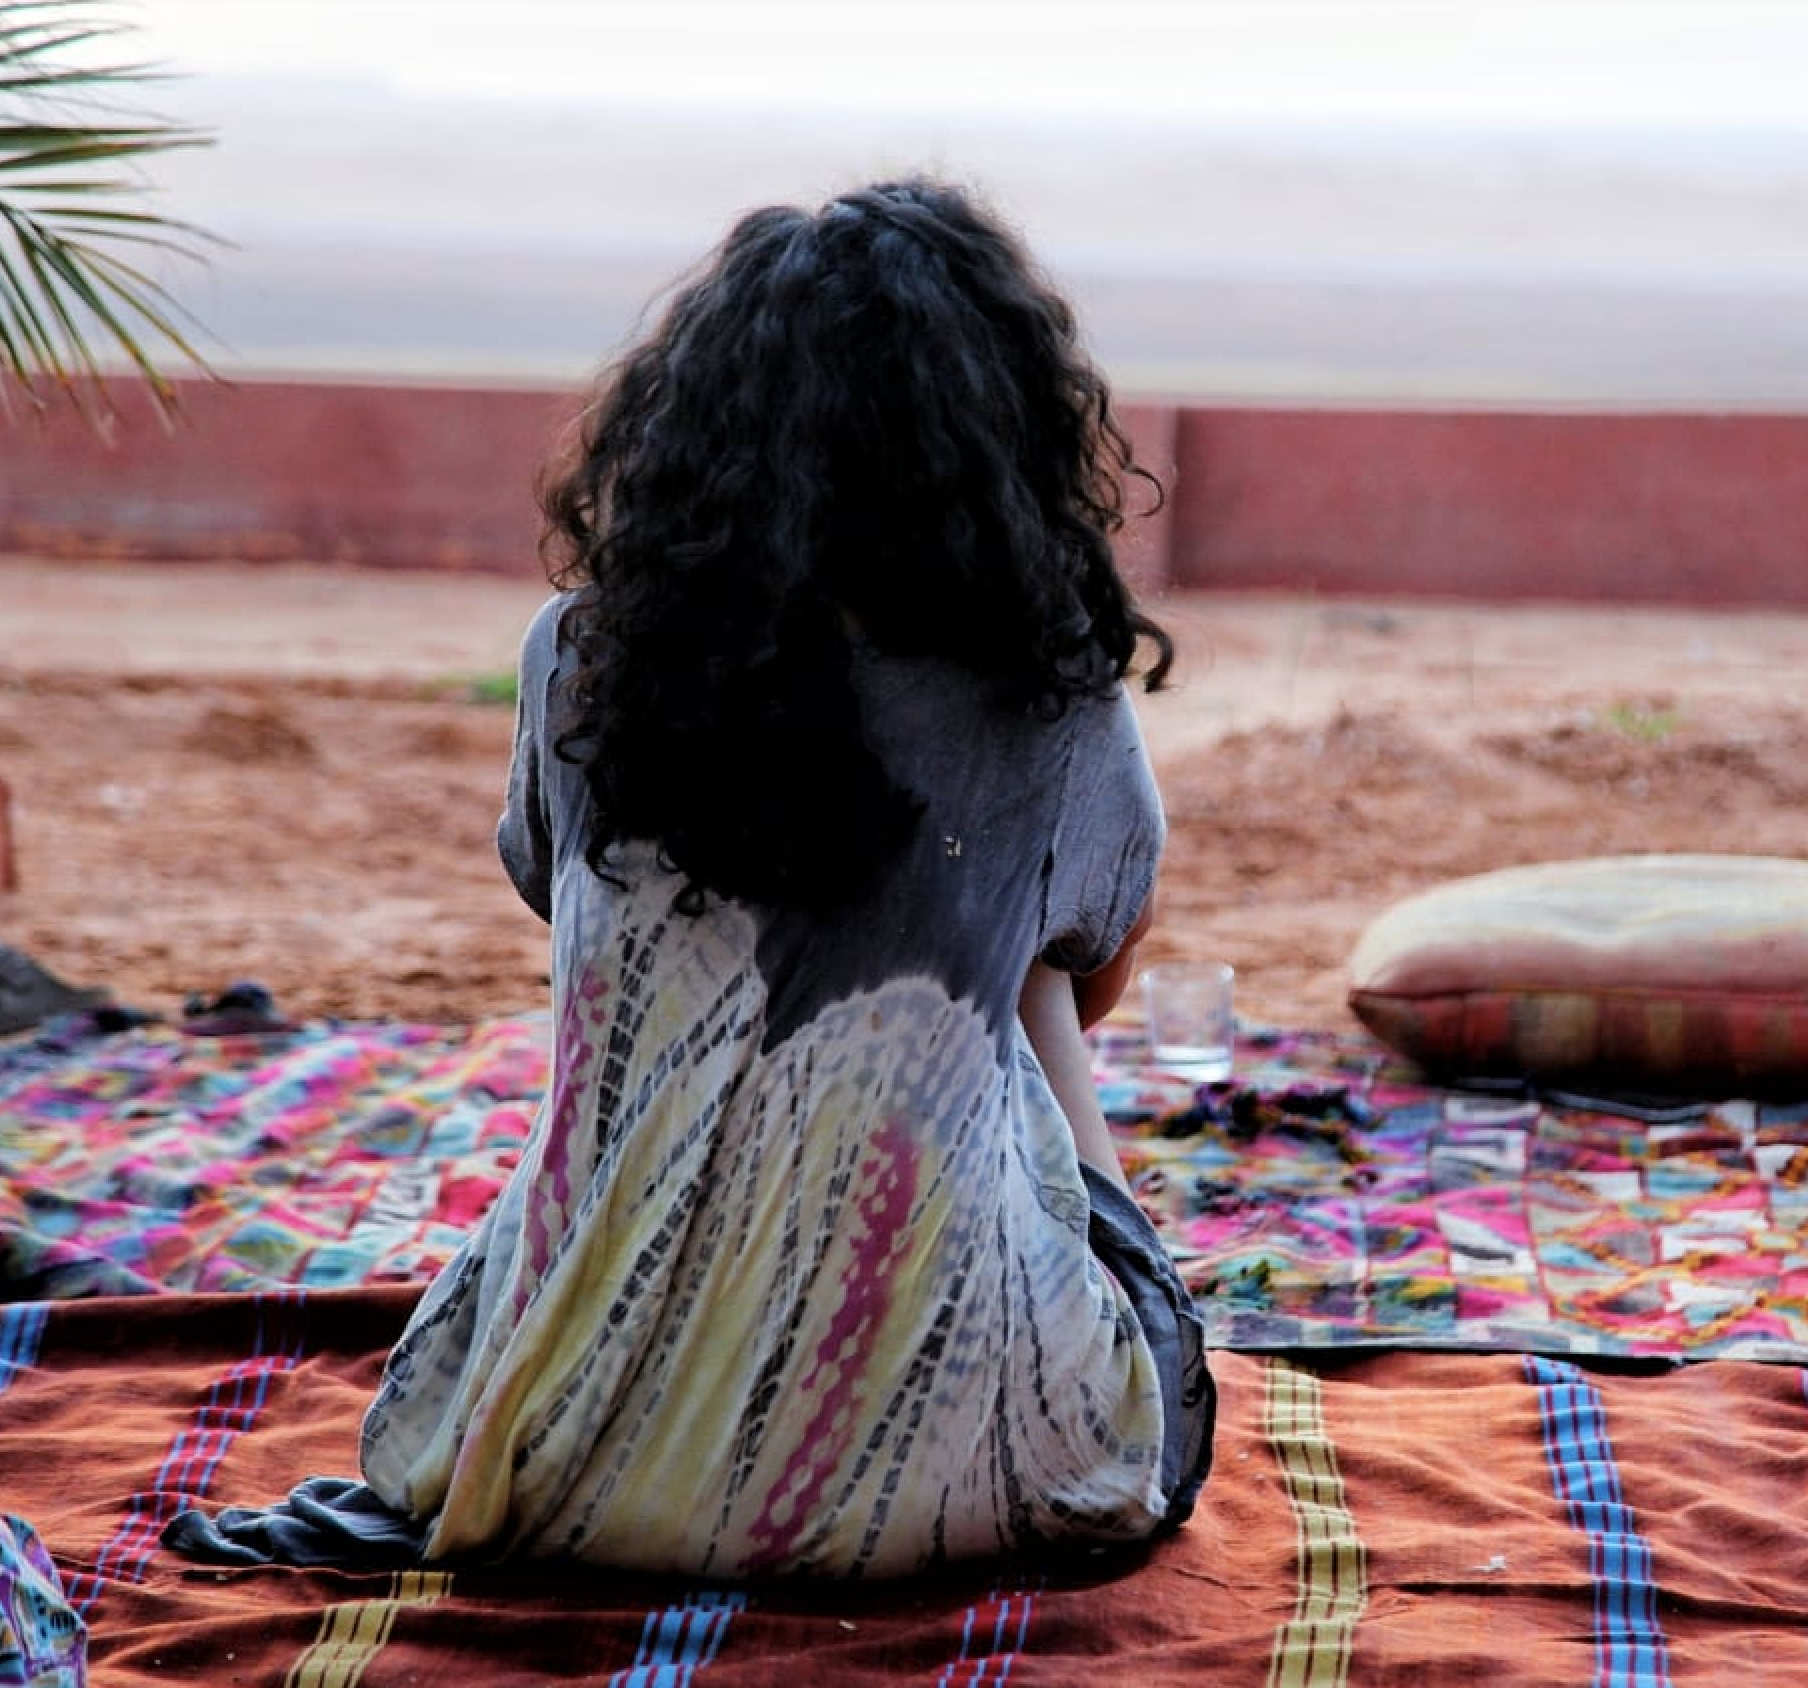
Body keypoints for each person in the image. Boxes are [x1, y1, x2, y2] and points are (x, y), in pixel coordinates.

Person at [172, 176, 1212, 1580]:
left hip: (565, 1457)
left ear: (699, 428)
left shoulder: (581, 661)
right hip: (983, 1477)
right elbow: (1094, 954)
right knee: (1018, 963)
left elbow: (556, 895)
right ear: (1005, 436)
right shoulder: (1056, 705)